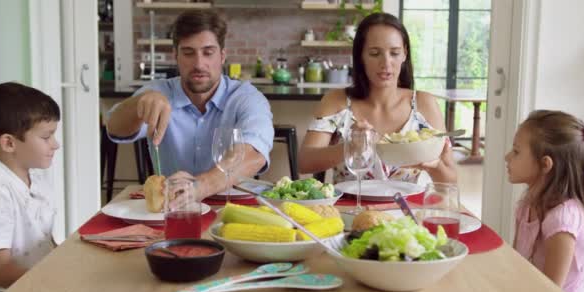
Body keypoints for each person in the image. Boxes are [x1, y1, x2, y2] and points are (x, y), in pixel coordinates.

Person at [106, 10, 274, 199]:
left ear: (222, 56)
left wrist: (199, 187)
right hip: (175, 208)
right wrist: (137, 105)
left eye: (208, 53)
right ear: (175, 56)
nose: (199, 64)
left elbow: (254, 154)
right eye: (188, 53)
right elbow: (114, 126)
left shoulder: (246, 97)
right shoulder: (158, 92)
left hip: (232, 206)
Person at [298, 13, 456, 184]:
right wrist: (350, 146)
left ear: (404, 54)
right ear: (360, 57)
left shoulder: (424, 104)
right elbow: (304, 162)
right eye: (374, 53)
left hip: (406, 209)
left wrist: (432, 166)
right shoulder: (337, 101)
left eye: (394, 53)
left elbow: (450, 181)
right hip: (349, 208)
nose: (386, 63)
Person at [506, 110, 584, 292]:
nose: (507, 156)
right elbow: (516, 262)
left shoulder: (563, 219)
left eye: (516, 151)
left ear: (545, 164)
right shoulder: (526, 204)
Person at [0, 82, 60, 292]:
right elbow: (0, 271)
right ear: (9, 143)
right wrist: (55, 281)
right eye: (46, 137)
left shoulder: (36, 177)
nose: (56, 144)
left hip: (36, 284)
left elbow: (44, 240)